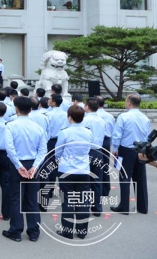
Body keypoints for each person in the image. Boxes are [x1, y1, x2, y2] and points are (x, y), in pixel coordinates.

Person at [3, 97, 47, 243]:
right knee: (32, 198)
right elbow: (43, 150)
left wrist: (19, 166)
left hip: (18, 164)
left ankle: (16, 230)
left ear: (16, 109)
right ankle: (34, 231)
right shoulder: (38, 127)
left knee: (16, 198)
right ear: (30, 109)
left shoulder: (11, 125)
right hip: (33, 163)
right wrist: (35, 166)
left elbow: (10, 148)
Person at [54, 105, 92, 239]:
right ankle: (82, 232)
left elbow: (58, 151)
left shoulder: (65, 132)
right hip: (83, 170)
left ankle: (67, 231)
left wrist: (60, 161)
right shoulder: (88, 132)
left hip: (67, 170)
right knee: (82, 202)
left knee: (68, 202)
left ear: (69, 117)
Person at [111, 94, 150, 214]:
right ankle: (142, 207)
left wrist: (115, 148)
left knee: (124, 177)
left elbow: (117, 134)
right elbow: (147, 136)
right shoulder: (145, 118)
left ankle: (124, 207)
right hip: (140, 150)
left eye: (126, 100)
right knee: (140, 178)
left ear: (129, 103)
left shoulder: (123, 117)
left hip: (125, 150)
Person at [81, 97, 106, 215]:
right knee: (97, 180)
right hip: (98, 151)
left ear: (87, 107)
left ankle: (84, 206)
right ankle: (97, 208)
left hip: (87, 151)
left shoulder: (85, 120)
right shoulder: (101, 120)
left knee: (85, 180)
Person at [96, 96, 115, 198]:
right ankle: (105, 190)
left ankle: (95, 188)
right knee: (105, 165)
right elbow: (112, 131)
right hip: (106, 141)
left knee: (94, 165)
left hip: (95, 142)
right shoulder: (109, 116)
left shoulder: (90, 116)